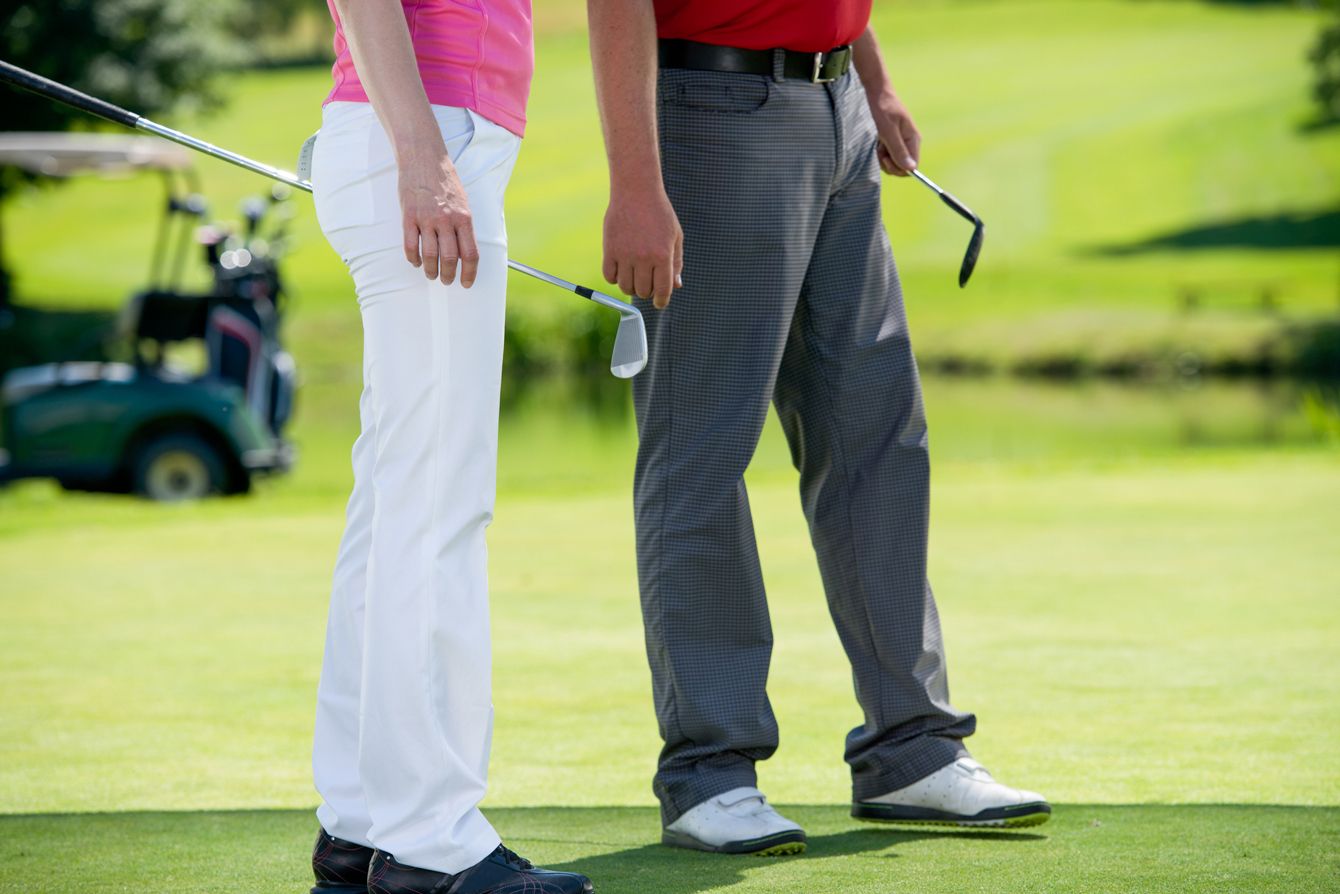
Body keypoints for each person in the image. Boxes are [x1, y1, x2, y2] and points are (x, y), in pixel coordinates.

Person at [586, 0, 1051, 855]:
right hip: (709, 110)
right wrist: (635, 185)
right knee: (701, 455)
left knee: (879, 438)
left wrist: (874, 80)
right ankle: (709, 773)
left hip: (839, 109)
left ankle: (911, 750)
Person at [305, 2, 594, 892]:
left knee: (396, 505)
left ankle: (359, 823)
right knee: (437, 506)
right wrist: (424, 157)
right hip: (428, 137)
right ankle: (433, 843)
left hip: (426, 133)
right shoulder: (424, 147)